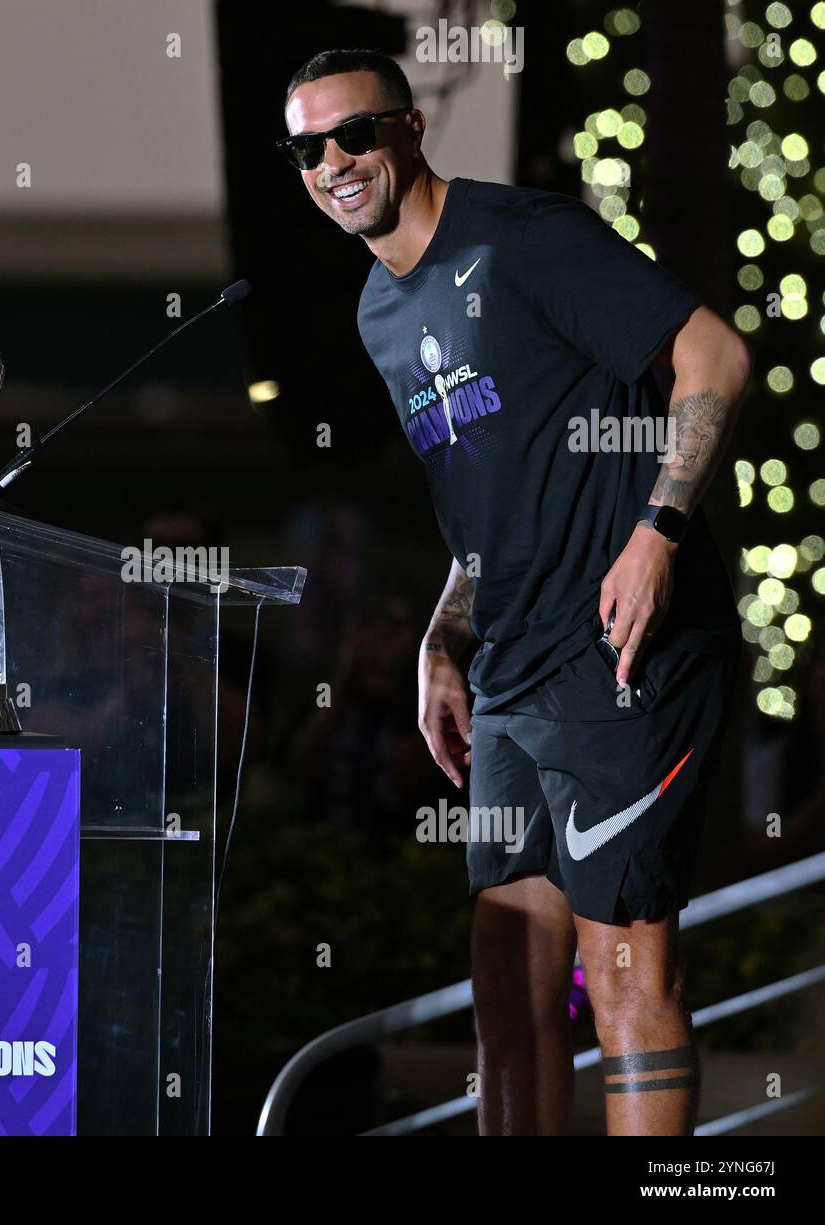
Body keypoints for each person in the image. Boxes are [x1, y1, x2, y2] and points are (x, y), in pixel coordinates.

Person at [278, 47, 752, 1135]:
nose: (334, 162)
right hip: (508, 666)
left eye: (355, 133)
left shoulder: (524, 238)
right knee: (509, 984)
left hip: (623, 652)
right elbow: (482, 504)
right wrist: (443, 634)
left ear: (408, 128)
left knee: (623, 972)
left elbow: (713, 354)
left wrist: (656, 531)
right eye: (308, 148)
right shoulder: (376, 314)